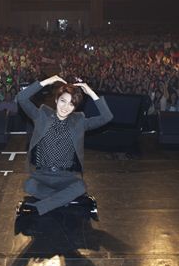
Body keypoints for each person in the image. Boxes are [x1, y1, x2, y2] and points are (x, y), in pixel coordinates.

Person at [15, 75, 113, 220]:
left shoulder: (79, 121)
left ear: (75, 107)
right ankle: (68, 201)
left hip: (66, 177)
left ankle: (40, 208)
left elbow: (107, 117)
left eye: (71, 104)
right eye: (63, 101)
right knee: (29, 185)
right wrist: (47, 82)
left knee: (80, 187)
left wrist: (91, 92)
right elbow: (22, 98)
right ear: (56, 100)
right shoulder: (41, 115)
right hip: (42, 175)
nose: (66, 107)